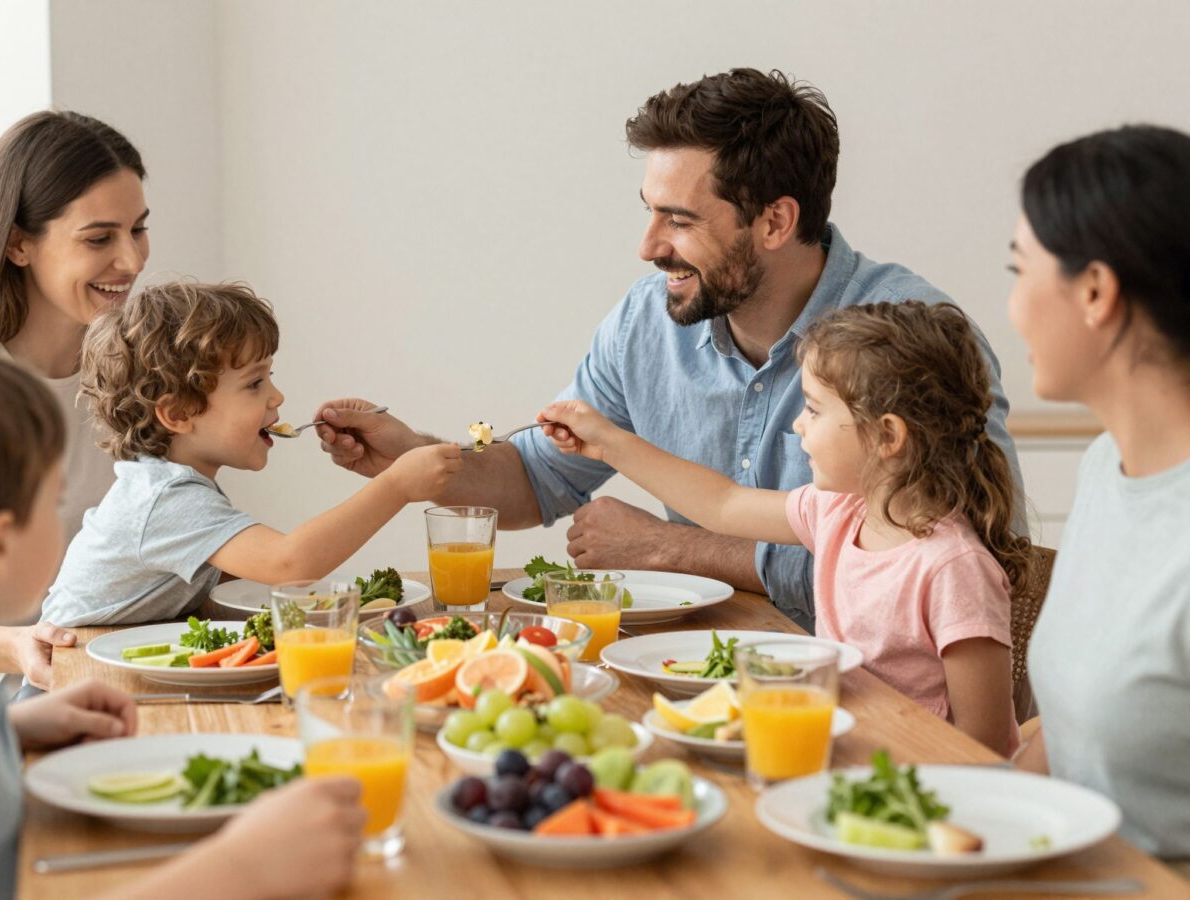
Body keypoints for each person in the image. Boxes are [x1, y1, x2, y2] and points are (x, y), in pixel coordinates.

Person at [312, 68, 1023, 631]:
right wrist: (420, 461)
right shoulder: (645, 322)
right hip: (695, 675)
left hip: (873, 704)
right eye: (649, 212)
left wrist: (676, 550)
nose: (649, 247)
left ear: (775, 221)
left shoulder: (919, 338)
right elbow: (539, 475)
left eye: (679, 221)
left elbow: (966, 565)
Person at [540, 301, 1026, 755]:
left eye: (814, 409)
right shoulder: (839, 513)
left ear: (887, 436)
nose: (797, 425)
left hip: (912, 785)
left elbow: (981, 748)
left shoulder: (952, 568)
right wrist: (607, 443)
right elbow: (722, 502)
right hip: (838, 753)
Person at [0, 357, 368, 900]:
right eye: (56, 501)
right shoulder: (165, 496)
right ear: (2, 542)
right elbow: (292, 562)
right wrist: (242, 870)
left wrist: (10, 731)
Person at [40, 281, 461, 626]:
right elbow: (288, 564)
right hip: (66, 684)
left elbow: (248, 573)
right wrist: (398, 485)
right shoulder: (165, 499)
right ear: (179, 413)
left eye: (269, 376)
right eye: (254, 383)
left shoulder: (175, 486)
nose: (277, 396)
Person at [1009, 126, 1190, 858]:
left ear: (1094, 291)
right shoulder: (1103, 467)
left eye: (1018, 269)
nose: (1013, 305)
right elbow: (1070, 732)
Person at [0, 110, 148, 685]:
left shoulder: (139, 374)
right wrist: (13, 648)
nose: (130, 261)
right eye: (99, 238)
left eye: (138, 229)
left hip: (120, 684)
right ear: (18, 245)